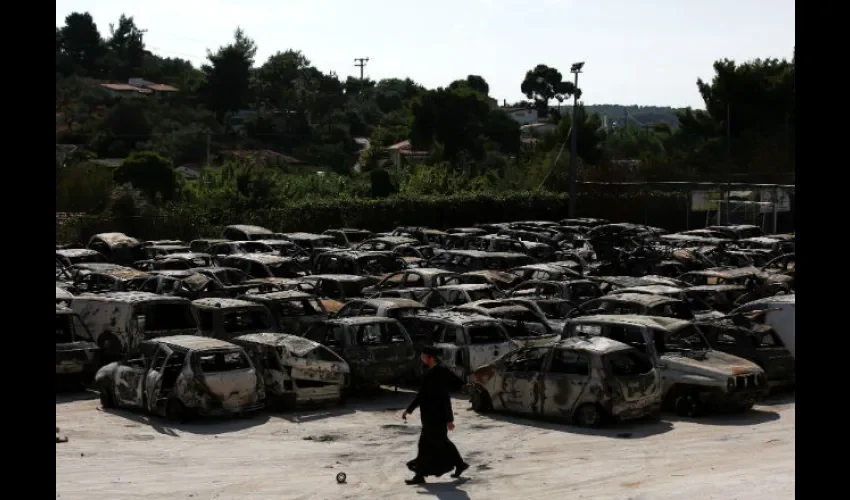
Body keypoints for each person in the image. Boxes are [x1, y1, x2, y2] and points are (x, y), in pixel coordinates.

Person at [400, 346, 469, 485]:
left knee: (432, 444)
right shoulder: (427, 372)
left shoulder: (439, 374)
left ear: (431, 358)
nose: (422, 358)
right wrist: (409, 409)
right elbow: (421, 396)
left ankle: (420, 475)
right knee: (433, 444)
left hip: (438, 418)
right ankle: (459, 464)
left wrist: (449, 419)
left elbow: (445, 398)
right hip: (428, 418)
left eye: (424, 356)